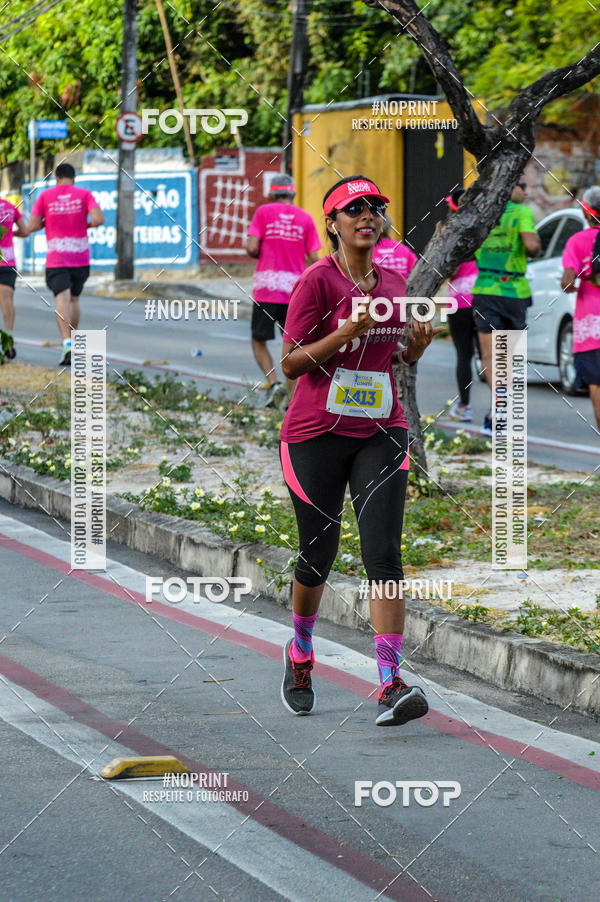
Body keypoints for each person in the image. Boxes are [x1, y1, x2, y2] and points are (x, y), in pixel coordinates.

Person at [278, 174, 440, 727]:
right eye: (355, 210)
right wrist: (345, 331)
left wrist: (414, 345)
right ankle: (300, 652)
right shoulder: (317, 283)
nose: (367, 215)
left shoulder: (395, 283)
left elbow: (399, 357)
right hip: (315, 434)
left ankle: (390, 682)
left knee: (384, 556)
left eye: (375, 208)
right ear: (333, 224)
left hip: (381, 430)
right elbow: (292, 363)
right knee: (317, 554)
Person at [245, 174, 321, 407]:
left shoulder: (263, 213)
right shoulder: (306, 218)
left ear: (272, 194)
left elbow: (251, 246)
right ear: (292, 194)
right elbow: (314, 257)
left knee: (259, 340)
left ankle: (274, 382)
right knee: (296, 347)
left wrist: (262, 252)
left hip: (267, 289)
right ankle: (290, 403)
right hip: (295, 293)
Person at [471, 180, 541, 434]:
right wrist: (536, 247)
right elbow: (532, 246)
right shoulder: (521, 212)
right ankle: (501, 407)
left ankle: (497, 407)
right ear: (509, 186)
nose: (525, 189)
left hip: (485, 288)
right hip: (513, 291)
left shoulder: (484, 212)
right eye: (521, 184)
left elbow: (467, 250)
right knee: (509, 356)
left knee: (490, 355)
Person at [27, 162, 104, 366]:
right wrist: (84, 224)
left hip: (57, 258)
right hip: (80, 256)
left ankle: (67, 343)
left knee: (62, 296)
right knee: (74, 299)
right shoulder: (84, 194)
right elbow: (99, 218)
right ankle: (75, 342)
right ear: (74, 178)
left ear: (57, 179)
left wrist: (48, 221)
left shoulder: (45, 196)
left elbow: (32, 225)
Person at [561, 185, 600, 431]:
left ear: (586, 212)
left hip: (592, 329)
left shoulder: (576, 241)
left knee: (597, 387)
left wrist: (577, 285)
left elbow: (567, 283)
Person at [444, 189, 480, 422]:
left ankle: (464, 406)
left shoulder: (450, 233)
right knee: (491, 356)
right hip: (483, 297)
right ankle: (502, 410)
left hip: (458, 302)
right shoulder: (483, 228)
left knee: (464, 355)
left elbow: (448, 269)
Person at [0, 196, 27, 359]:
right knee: (7, 300)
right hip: (8, 261)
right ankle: (8, 338)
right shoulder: (10, 207)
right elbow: (24, 231)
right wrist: (11, 233)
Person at [372, 214, 417, 278]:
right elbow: (416, 270)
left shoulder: (367, 250)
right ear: (390, 227)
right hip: (403, 287)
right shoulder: (404, 249)